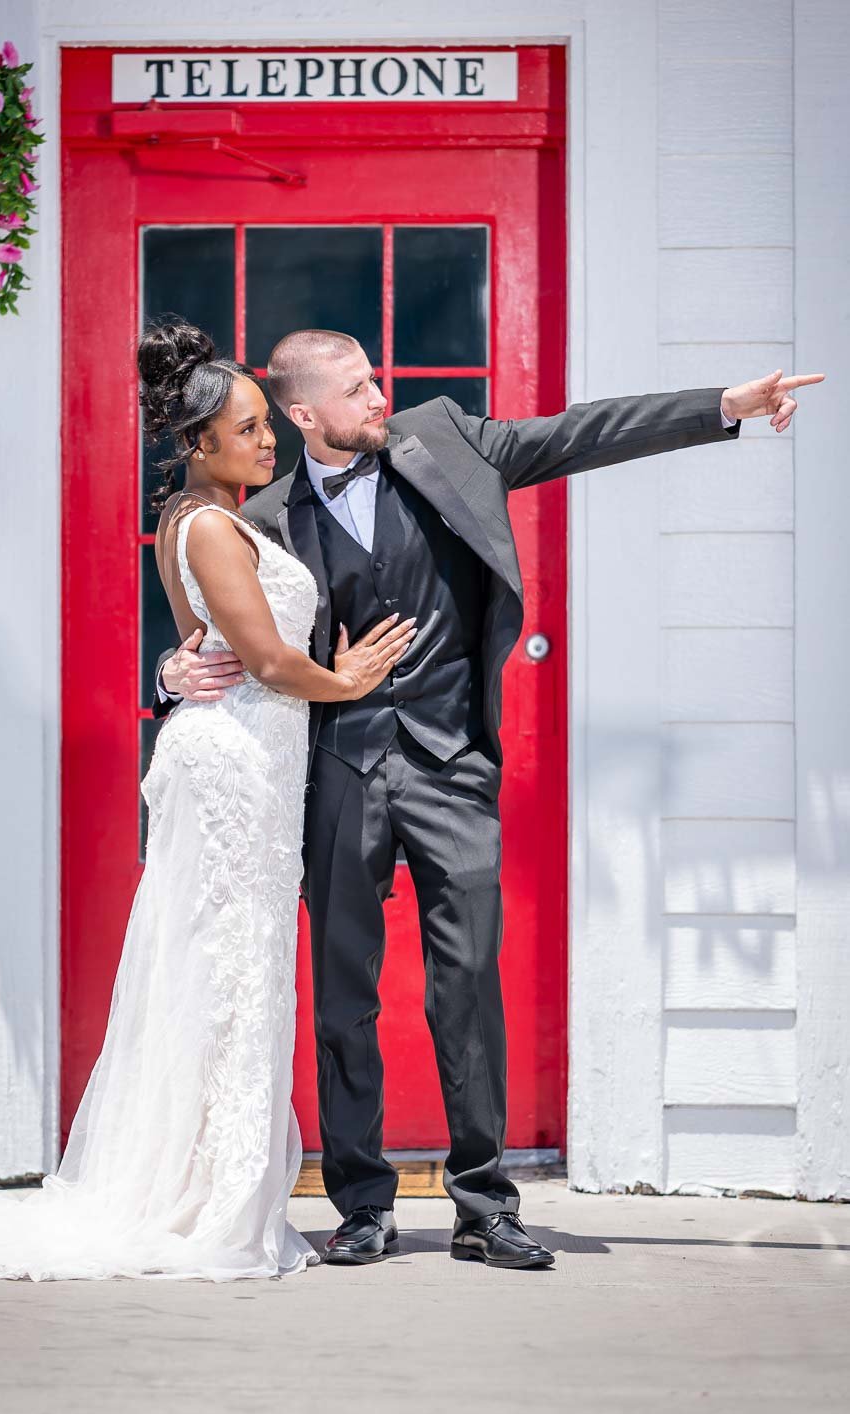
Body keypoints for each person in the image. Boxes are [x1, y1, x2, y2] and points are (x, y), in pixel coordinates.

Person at [160, 330, 823, 1269]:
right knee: (342, 997)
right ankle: (360, 1202)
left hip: (449, 764)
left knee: (465, 984)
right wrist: (171, 670)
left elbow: (580, 432)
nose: (378, 394)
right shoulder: (260, 515)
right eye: (355, 389)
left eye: (376, 377)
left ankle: (484, 1204)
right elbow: (209, 630)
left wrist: (724, 406)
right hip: (335, 772)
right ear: (304, 415)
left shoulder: (444, 440)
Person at [0, 321, 414, 1283]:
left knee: (224, 971)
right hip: (233, 770)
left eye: (266, 426)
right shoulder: (208, 523)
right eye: (247, 430)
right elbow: (259, 658)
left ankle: (201, 1177)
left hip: (245, 762)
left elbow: (204, 648)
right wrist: (346, 680)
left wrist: (177, 670)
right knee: (218, 972)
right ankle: (192, 1194)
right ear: (200, 442)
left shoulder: (211, 517)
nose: (265, 444)